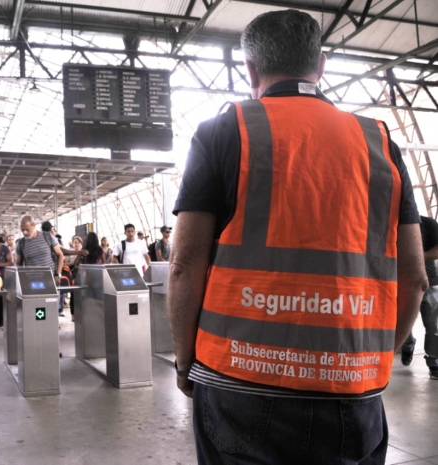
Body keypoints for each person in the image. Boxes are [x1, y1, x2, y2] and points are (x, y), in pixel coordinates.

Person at [166, 10, 427, 464]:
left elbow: (184, 264)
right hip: (352, 392)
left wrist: (185, 358)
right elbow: (415, 277)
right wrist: (373, 360)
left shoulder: (223, 131)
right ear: (320, 65)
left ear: (250, 69)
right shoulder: (380, 142)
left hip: (239, 385)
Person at [400, 215, 438, 379]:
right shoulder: (394, 224)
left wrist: (414, 256)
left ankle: (433, 361)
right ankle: (407, 344)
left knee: (433, 326)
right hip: (401, 282)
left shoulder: (429, 224)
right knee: (401, 321)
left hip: (429, 282)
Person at [16, 216, 64, 287]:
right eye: (22, 230)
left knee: (51, 298)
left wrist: (58, 274)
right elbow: (18, 264)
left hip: (51, 280)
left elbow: (60, 254)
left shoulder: (47, 237)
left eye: (27, 229)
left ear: (34, 225)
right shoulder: (21, 243)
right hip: (32, 282)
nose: (25, 232)